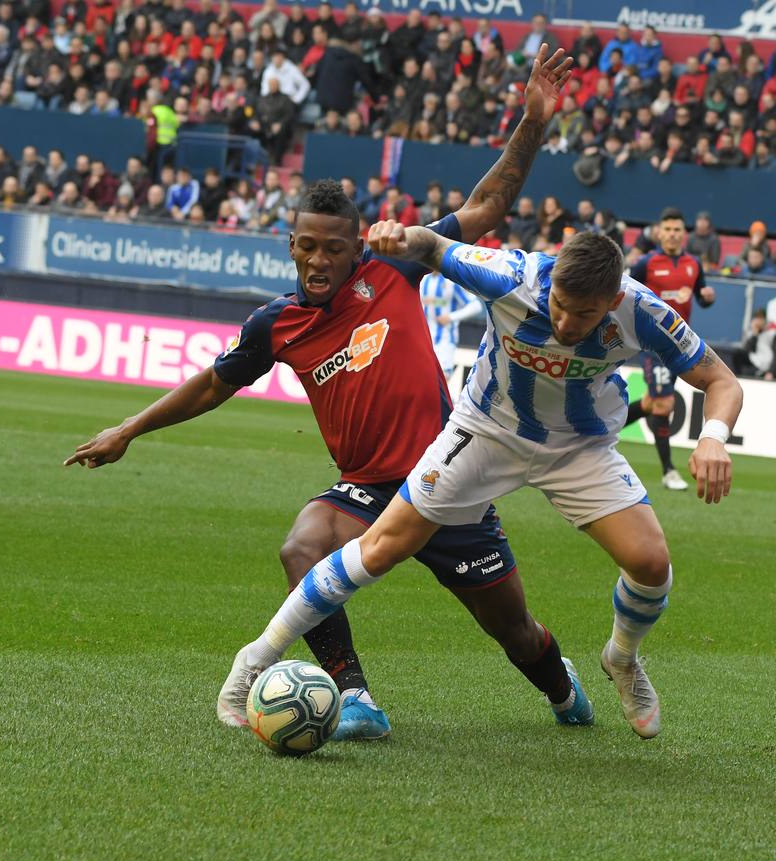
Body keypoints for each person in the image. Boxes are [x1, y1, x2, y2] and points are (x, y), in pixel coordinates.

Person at [67, 45, 586, 742]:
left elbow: (489, 203)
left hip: (449, 481)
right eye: (307, 246)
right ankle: (355, 698)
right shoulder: (276, 323)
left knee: (516, 632)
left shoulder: (398, 267)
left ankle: (563, 692)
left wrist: (533, 120)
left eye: (333, 249)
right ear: (290, 243)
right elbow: (211, 387)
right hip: (367, 489)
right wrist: (128, 428)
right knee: (300, 549)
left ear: (355, 248)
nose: (319, 260)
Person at [219, 227, 743, 741]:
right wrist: (400, 236)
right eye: (558, 303)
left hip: (580, 449)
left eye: (582, 314)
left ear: (611, 300)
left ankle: (622, 659)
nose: (563, 320)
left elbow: (721, 381)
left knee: (651, 565)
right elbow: (435, 246)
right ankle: (254, 660)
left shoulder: (643, 311)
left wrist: (713, 436)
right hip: (486, 431)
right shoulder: (511, 276)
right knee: (380, 547)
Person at [624, 207, 715, 491]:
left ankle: (598, 430)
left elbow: (701, 296)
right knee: (664, 404)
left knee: (653, 402)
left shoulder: (693, 264)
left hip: (681, 343)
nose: (673, 234)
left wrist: (707, 297)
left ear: (683, 234)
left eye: (678, 229)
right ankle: (668, 471)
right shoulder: (646, 264)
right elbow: (624, 291)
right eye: (669, 229)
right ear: (660, 232)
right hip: (653, 343)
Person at [420, 270, 485, 378]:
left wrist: (451, 317)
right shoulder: (423, 280)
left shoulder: (451, 281)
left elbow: (476, 307)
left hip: (445, 340)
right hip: (424, 339)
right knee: (422, 377)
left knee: (442, 377)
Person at [732, 307, 776, 380]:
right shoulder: (753, 332)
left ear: (765, 319)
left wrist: (771, 372)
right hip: (754, 361)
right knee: (737, 353)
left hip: (766, 364)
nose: (758, 321)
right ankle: (737, 378)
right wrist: (754, 334)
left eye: (761, 318)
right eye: (757, 318)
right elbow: (746, 350)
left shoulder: (773, 333)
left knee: (751, 374)